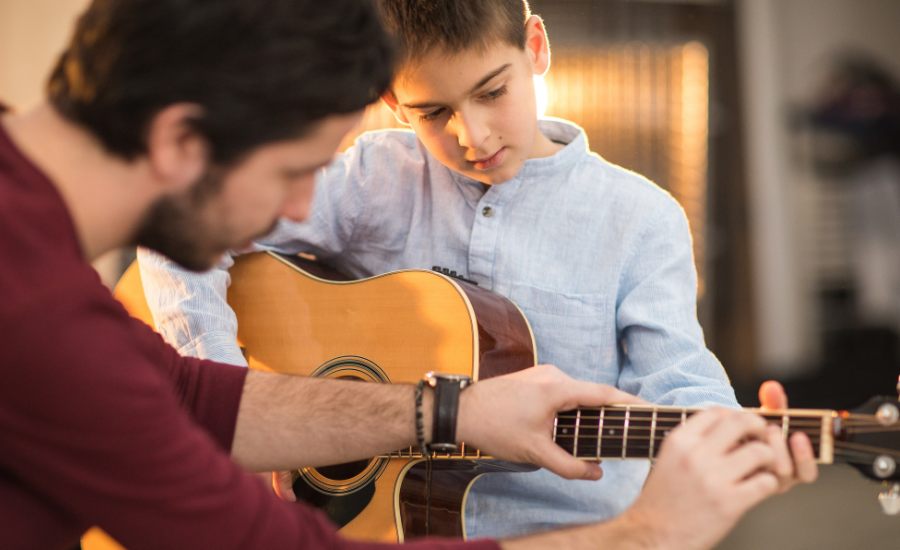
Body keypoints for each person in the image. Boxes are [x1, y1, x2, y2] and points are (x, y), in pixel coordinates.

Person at [0, 1, 816, 549]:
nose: (291, 212)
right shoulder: (43, 326)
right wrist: (641, 537)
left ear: (533, 50)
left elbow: (188, 396)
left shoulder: (51, 284)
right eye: (295, 168)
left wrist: (448, 409)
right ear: (183, 142)